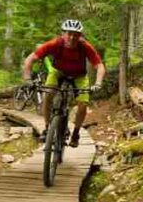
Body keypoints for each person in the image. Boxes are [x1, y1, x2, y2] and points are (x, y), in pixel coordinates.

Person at [21, 19, 105, 147]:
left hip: (79, 76)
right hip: (58, 72)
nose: (72, 37)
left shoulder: (85, 46)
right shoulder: (55, 43)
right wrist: (27, 79)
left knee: (83, 104)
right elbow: (30, 59)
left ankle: (76, 133)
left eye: (76, 34)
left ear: (80, 36)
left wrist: (98, 83)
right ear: (63, 34)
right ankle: (47, 127)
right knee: (47, 95)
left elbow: (99, 65)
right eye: (69, 33)